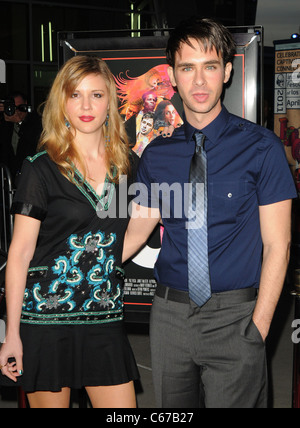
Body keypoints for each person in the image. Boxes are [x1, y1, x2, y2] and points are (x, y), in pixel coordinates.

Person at [122, 17, 297, 408]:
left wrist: (259, 328)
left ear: (227, 72)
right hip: (169, 317)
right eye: (188, 68)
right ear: (173, 76)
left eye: (210, 67)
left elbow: (278, 245)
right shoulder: (157, 153)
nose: (199, 81)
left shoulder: (262, 148)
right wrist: (86, 260)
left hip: (237, 316)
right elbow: (138, 228)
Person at [0, 55, 139, 408]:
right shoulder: (40, 169)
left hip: (104, 317)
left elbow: (126, 233)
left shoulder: (126, 166)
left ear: (110, 101)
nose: (86, 105)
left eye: (96, 95)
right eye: (75, 95)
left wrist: (106, 264)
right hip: (46, 321)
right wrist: (12, 334)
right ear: (62, 103)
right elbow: (19, 254)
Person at [0, 91, 42, 185]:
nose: (17, 111)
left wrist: (19, 123)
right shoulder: (6, 123)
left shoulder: (35, 121)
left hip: (31, 176)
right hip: (11, 178)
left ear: (26, 104)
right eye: (13, 107)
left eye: (20, 107)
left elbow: (32, 143)